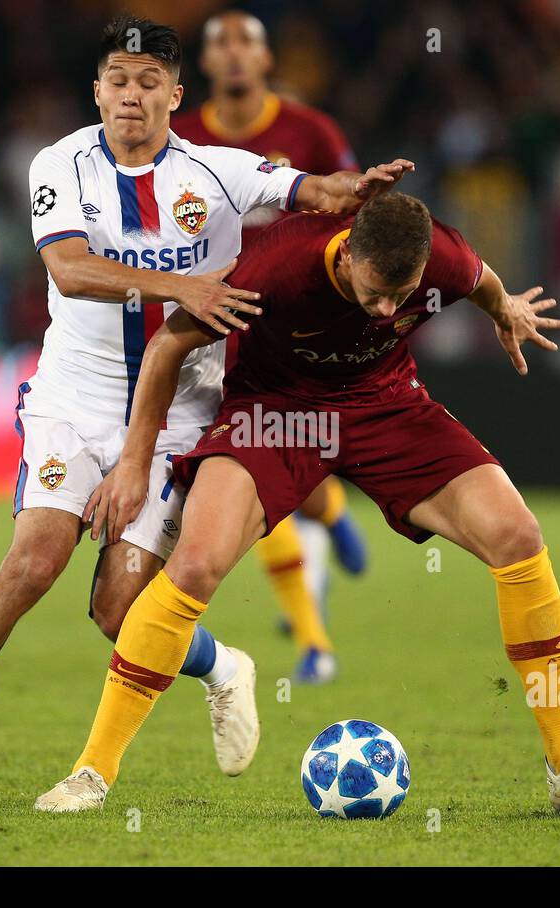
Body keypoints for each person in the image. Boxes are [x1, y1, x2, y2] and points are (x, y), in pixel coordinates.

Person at [0, 15, 414, 795]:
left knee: (120, 609)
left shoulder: (217, 172)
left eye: (149, 82)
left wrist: (351, 191)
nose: (132, 95)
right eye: (119, 81)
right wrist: (182, 287)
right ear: (98, 90)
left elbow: (306, 188)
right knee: (33, 561)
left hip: (179, 415)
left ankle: (224, 665)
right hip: (72, 400)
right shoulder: (59, 164)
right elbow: (69, 269)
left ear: (175, 94)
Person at [39, 192, 560, 814]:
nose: (389, 308)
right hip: (275, 413)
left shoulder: (440, 254)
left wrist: (505, 310)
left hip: (385, 405)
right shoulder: (277, 265)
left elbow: (481, 279)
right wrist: (138, 461)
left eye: (404, 294)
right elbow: (172, 343)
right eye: (376, 291)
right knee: (195, 566)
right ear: (350, 252)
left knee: (518, 535)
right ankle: (92, 773)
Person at [173, 9, 369, 683]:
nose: (232, 56)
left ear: (265, 61)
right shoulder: (181, 139)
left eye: (245, 44)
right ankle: (316, 642)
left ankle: (330, 510)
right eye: (219, 44)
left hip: (292, 326)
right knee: (243, 472)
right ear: (204, 64)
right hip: (211, 326)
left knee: (276, 475)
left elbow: (355, 215)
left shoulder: (311, 131)